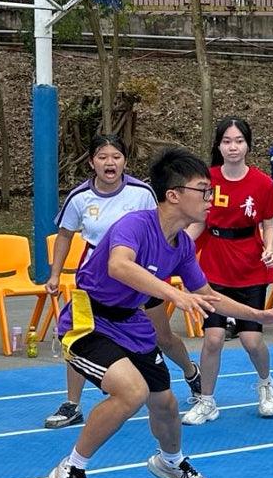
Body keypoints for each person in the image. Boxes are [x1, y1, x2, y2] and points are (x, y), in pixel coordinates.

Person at [48, 146, 273, 478]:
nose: (210, 200)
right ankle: (71, 468)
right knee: (130, 393)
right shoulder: (135, 224)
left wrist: (261, 316)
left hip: (131, 324)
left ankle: (169, 460)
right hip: (90, 321)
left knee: (164, 403)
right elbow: (119, 266)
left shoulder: (181, 244)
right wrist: (171, 294)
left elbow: (208, 295)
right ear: (174, 195)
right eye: (203, 190)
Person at [43, 133, 203, 429]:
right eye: (102, 157)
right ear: (91, 162)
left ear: (124, 161)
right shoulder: (80, 197)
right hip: (98, 278)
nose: (110, 162)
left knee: (162, 336)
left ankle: (191, 372)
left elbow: (164, 222)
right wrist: (54, 273)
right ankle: (72, 403)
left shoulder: (141, 192)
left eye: (116, 156)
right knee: (82, 334)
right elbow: (64, 236)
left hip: (143, 274)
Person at [183, 117, 273, 426]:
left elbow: (269, 225)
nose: (232, 147)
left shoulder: (262, 183)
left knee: (251, 340)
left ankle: (265, 383)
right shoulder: (206, 179)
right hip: (213, 267)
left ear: (248, 145)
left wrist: (269, 248)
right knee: (213, 338)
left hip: (249, 267)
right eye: (226, 141)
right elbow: (198, 222)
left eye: (238, 141)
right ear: (218, 145)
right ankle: (206, 401)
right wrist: (178, 247)